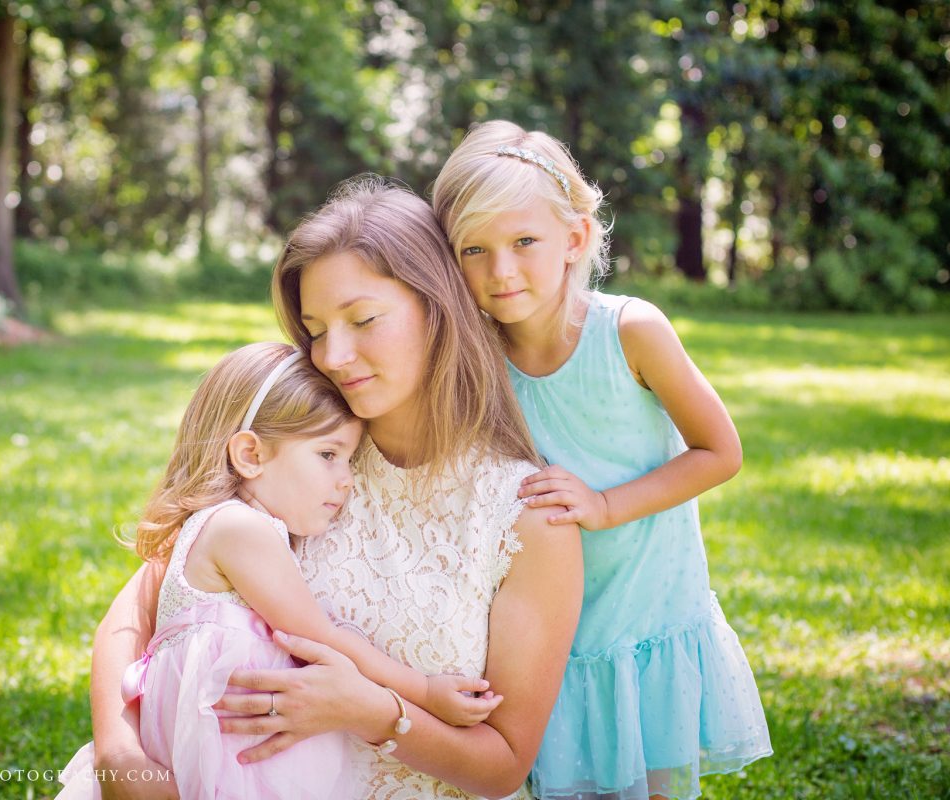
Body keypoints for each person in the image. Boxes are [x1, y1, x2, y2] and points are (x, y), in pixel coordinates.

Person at [85, 177, 584, 799]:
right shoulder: (300, 455)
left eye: (364, 319)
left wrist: (375, 714)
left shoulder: (525, 517)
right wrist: (118, 750)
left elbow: (504, 763)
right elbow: (142, 600)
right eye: (316, 328)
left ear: (438, 309)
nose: (333, 355)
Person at [430, 119, 773, 800]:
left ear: (576, 238)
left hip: (646, 610)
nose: (502, 271)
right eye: (475, 250)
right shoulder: (477, 364)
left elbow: (720, 451)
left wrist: (605, 504)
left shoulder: (630, 331)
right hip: (547, 627)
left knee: (653, 785)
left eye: (525, 241)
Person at [57, 342, 505, 800]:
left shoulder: (221, 524)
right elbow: (322, 637)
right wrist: (425, 692)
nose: (347, 478)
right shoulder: (239, 530)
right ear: (250, 455)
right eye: (328, 455)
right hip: (231, 761)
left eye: (350, 459)